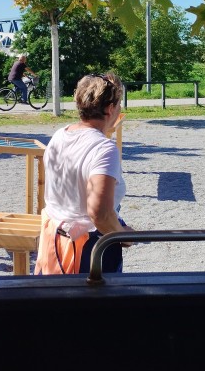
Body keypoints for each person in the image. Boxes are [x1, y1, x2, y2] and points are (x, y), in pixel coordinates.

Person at [34, 72, 132, 275]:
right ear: (111, 108)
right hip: (90, 249)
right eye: (119, 104)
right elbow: (99, 213)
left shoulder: (60, 135)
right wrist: (122, 234)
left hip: (55, 241)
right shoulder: (103, 148)